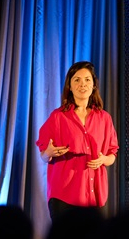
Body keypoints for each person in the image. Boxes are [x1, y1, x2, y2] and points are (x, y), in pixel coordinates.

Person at [36, 61, 119, 222]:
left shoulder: (104, 118)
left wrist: (104, 159)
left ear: (94, 85)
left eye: (88, 80)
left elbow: (112, 154)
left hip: (93, 197)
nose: (83, 84)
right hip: (64, 197)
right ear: (70, 86)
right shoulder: (58, 117)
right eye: (77, 80)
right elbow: (43, 155)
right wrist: (49, 153)